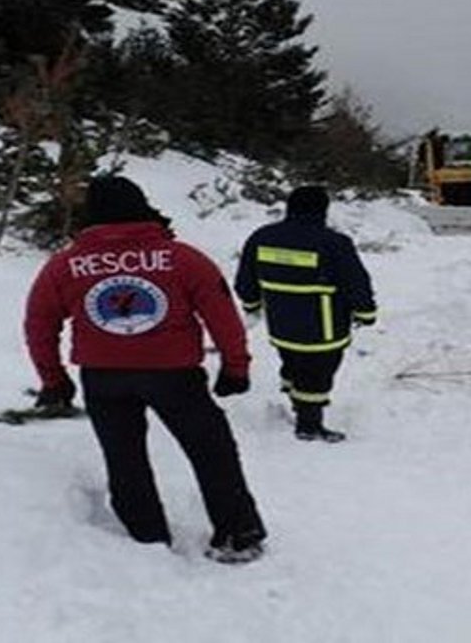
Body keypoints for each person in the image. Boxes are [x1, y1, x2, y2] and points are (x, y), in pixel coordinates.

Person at [23, 176, 267, 564]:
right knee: (211, 450)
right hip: (175, 375)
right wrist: (235, 367)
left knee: (124, 457)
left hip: (103, 378)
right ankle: (239, 532)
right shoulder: (184, 258)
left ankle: (147, 537)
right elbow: (223, 317)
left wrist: (53, 380)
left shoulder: (64, 265)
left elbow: (38, 325)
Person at [234, 185, 377, 443]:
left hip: (281, 327)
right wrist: (366, 313)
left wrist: (252, 306)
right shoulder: (334, 243)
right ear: (323, 210)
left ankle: (294, 396)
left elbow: (245, 281)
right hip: (324, 328)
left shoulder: (262, 237)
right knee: (317, 376)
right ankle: (308, 425)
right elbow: (356, 282)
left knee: (293, 361)